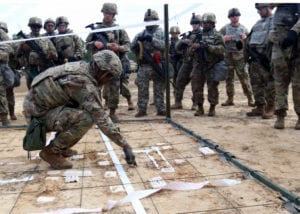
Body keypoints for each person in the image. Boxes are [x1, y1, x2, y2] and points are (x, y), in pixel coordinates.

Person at [23, 50, 136, 169]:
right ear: (100, 70)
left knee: (82, 107)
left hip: (43, 107)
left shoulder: (83, 68)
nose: (108, 81)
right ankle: (51, 152)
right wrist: (125, 145)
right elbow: (100, 116)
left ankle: (62, 146)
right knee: (86, 118)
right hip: (38, 115)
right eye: (109, 76)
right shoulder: (82, 82)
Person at [86, 3, 134, 121]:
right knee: (95, 88)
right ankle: (97, 112)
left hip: (113, 64)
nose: (107, 16)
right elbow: (86, 45)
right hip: (98, 65)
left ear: (113, 15)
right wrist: (94, 44)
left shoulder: (118, 30)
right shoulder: (96, 30)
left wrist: (118, 48)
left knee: (114, 88)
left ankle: (112, 112)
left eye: (109, 14)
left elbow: (128, 45)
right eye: (105, 13)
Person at [269, 3, 300, 129]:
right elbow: (272, 33)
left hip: (297, 51)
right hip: (280, 51)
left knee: (298, 86)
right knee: (280, 85)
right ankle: (280, 115)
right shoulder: (276, 12)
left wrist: (294, 31)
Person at [131, 9, 166, 117]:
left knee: (159, 88)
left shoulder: (161, 33)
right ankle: (142, 109)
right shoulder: (140, 34)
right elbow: (132, 47)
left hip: (157, 63)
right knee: (142, 87)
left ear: (156, 20)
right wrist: (137, 43)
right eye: (147, 20)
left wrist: (152, 40)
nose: (149, 22)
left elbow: (166, 46)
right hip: (144, 64)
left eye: (152, 20)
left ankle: (161, 108)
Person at [190, 12, 225, 116]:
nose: (205, 24)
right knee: (196, 87)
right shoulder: (196, 35)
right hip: (198, 65)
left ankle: (212, 107)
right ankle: (200, 108)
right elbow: (188, 52)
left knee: (212, 87)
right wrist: (193, 48)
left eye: (208, 23)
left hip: (211, 65)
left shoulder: (218, 35)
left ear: (213, 23)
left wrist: (208, 47)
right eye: (204, 23)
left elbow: (222, 50)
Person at [220, 8, 254, 107]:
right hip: (228, 57)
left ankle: (250, 98)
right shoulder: (225, 28)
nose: (234, 17)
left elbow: (251, 41)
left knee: (244, 79)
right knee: (228, 79)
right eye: (232, 16)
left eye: (236, 15)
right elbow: (216, 38)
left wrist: (246, 39)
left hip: (240, 57)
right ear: (229, 17)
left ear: (239, 16)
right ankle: (230, 99)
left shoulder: (244, 28)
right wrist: (223, 38)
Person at [245, 4, 275, 119]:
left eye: (261, 9)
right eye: (258, 10)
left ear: (268, 8)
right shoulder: (257, 24)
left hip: (266, 60)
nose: (259, 12)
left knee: (270, 85)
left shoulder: (274, 22)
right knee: (256, 84)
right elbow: (249, 40)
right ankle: (259, 107)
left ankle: (271, 107)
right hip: (254, 60)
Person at [16, 17, 58, 89]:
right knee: (33, 92)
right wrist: (22, 48)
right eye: (33, 26)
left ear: (40, 27)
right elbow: (17, 54)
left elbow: (55, 55)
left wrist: (51, 54)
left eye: (38, 26)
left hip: (45, 69)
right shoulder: (24, 40)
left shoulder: (46, 40)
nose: (36, 28)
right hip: (31, 71)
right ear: (30, 27)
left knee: (46, 91)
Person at [171, 14, 200, 110]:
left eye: (196, 23)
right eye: (193, 23)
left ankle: (195, 104)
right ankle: (178, 102)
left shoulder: (204, 34)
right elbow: (176, 47)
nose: (195, 25)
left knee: (195, 84)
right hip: (186, 62)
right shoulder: (188, 34)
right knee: (179, 81)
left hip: (197, 63)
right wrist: (182, 42)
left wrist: (193, 44)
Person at [0, 21, 14, 125]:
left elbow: (9, 49)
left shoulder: (5, 39)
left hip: (3, 67)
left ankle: (5, 116)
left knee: (2, 92)